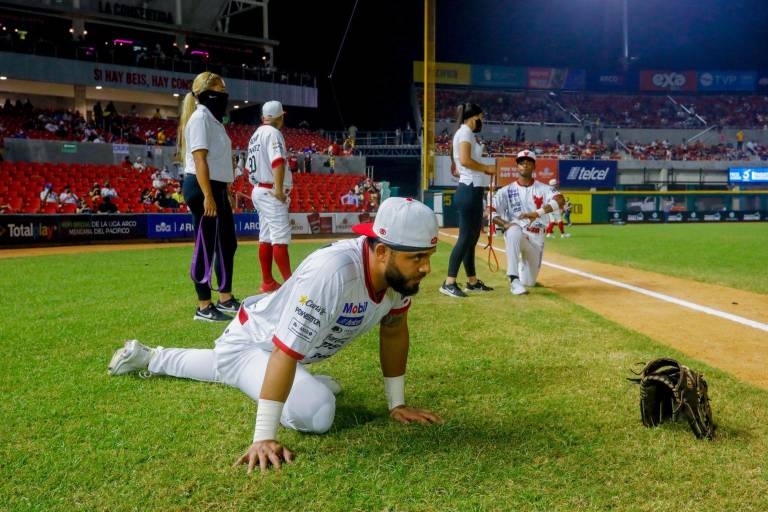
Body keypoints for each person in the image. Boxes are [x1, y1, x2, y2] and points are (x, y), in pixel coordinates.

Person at [107, 198, 444, 473]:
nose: (425, 268)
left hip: (271, 346)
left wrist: (396, 403)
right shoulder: (334, 272)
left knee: (227, 368)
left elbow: (395, 329)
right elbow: (284, 352)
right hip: (253, 344)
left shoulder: (398, 277)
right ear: (382, 251)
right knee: (318, 411)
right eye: (416, 257)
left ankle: (150, 356)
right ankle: (162, 360)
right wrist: (263, 437)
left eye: (427, 256)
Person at [179, 71, 240, 322]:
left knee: (227, 243)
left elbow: (216, 159)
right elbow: (199, 158)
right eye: (220, 90)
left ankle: (225, 298)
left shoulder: (213, 120)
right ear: (207, 93)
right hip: (202, 186)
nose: (224, 95)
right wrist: (208, 195)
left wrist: (224, 189)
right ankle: (203, 306)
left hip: (215, 186)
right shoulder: (200, 118)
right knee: (206, 246)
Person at [440, 102, 496, 298]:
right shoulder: (465, 133)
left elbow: (461, 162)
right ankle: (449, 282)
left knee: (471, 239)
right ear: (473, 117)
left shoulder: (466, 134)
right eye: (481, 117)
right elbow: (464, 161)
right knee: (465, 238)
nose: (482, 121)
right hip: (469, 188)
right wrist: (486, 168)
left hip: (473, 188)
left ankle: (472, 282)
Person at [492, 150, 565, 295]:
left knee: (529, 282)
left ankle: (521, 269)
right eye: (521, 163)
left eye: (528, 162)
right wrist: (505, 224)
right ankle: (513, 279)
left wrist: (536, 213)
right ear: (517, 167)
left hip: (536, 238)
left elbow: (560, 200)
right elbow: (491, 211)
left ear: (534, 166)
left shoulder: (544, 188)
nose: (525, 165)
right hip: (517, 232)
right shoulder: (506, 190)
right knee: (513, 230)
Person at [246, 100, 292, 293]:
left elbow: (249, 168)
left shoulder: (255, 135)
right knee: (279, 239)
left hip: (258, 188)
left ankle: (268, 282)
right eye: (282, 116)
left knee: (265, 237)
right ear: (278, 117)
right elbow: (278, 161)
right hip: (271, 190)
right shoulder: (273, 133)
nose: (283, 119)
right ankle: (291, 285)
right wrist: (279, 190)